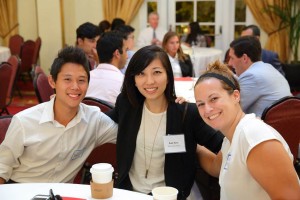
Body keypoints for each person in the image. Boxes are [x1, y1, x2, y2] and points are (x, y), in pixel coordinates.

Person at [106, 45, 224, 200]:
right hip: (129, 193)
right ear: (133, 79)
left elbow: (223, 144)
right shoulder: (127, 105)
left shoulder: (186, 114)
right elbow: (101, 122)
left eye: (157, 72)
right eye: (141, 73)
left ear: (168, 76)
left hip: (170, 196)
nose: (149, 81)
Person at [0, 46, 118, 184]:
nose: (75, 86)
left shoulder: (94, 120)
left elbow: (131, 135)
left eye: (81, 80)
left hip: (62, 194)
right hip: (22, 191)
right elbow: (2, 167)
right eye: (67, 79)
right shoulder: (24, 121)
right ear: (52, 81)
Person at [194, 60, 300, 200]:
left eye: (214, 98)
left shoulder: (254, 137)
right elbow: (215, 167)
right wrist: (191, 144)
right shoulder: (231, 138)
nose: (207, 109)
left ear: (236, 96)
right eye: (200, 104)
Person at [228, 36, 291, 117]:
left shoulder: (251, 76)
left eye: (232, 58)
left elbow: (232, 108)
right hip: (283, 123)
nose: (229, 63)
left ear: (244, 58)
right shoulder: (267, 67)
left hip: (265, 126)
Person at [86, 31, 128, 105]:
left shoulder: (85, 79)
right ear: (117, 53)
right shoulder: (125, 83)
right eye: (125, 50)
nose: (127, 56)